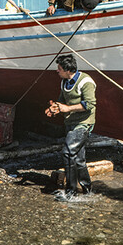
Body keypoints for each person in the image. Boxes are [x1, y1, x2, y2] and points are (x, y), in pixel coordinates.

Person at [45, 54, 96, 201]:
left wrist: (67, 109)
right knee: (79, 159)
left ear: (68, 69)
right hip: (70, 123)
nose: (57, 71)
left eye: (59, 68)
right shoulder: (64, 81)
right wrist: (55, 107)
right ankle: (88, 190)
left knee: (68, 152)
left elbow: (90, 104)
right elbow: (62, 99)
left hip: (83, 123)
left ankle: (71, 192)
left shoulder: (85, 82)